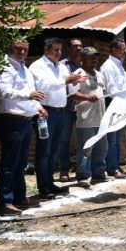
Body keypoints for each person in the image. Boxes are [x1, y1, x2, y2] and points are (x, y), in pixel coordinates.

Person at [0, 40, 47, 215]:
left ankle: (19, 196)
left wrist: (38, 107)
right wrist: (28, 95)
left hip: (24, 121)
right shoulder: (4, 66)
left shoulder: (25, 68)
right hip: (10, 121)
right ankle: (4, 201)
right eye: (19, 48)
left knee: (21, 163)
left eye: (25, 49)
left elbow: (32, 94)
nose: (22, 52)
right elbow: (2, 91)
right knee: (9, 163)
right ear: (10, 48)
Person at [29, 37, 86, 199]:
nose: (58, 53)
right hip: (45, 112)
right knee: (44, 150)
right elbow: (42, 86)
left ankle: (50, 182)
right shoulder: (37, 66)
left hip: (61, 112)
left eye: (60, 50)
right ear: (46, 50)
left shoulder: (60, 67)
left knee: (54, 150)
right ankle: (43, 187)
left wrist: (77, 80)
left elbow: (68, 89)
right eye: (55, 50)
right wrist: (65, 80)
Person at [70, 47, 106, 187]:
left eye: (96, 57)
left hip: (101, 117)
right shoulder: (78, 74)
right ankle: (83, 175)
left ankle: (98, 173)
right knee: (85, 149)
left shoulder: (100, 74)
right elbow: (72, 93)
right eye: (91, 57)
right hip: (86, 118)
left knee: (102, 147)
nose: (94, 59)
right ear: (82, 59)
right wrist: (87, 97)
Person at [100, 39, 126, 178]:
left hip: (120, 104)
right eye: (123, 48)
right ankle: (112, 168)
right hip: (112, 104)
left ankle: (116, 165)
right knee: (111, 139)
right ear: (114, 50)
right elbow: (112, 90)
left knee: (117, 139)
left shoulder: (119, 65)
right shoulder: (109, 66)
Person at [57, 38, 82, 182]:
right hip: (66, 107)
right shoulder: (62, 65)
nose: (78, 48)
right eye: (75, 46)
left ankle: (82, 170)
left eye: (80, 46)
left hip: (83, 108)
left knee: (83, 138)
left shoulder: (85, 63)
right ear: (69, 48)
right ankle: (64, 171)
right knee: (64, 140)